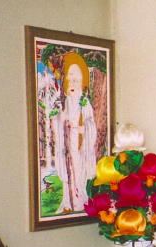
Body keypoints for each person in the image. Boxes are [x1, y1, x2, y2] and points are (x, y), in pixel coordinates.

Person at [54, 51, 97, 213]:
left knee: (78, 172)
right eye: (70, 77)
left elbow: (91, 123)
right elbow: (57, 122)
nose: (73, 81)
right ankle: (67, 202)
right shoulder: (64, 102)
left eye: (76, 78)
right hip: (67, 145)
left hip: (79, 146)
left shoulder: (84, 103)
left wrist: (82, 129)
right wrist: (61, 119)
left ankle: (79, 201)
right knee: (68, 173)